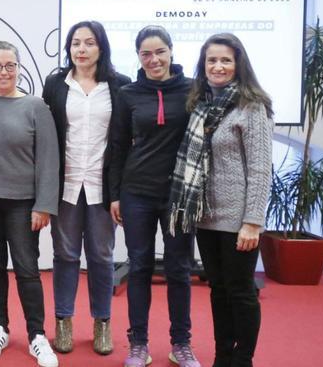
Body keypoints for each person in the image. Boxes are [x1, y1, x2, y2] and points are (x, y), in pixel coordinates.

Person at [168, 33, 272, 367]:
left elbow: (259, 169)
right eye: (212, 60)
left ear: (238, 64)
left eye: (225, 60)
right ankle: (222, 356)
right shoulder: (200, 105)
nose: (218, 66)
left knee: (241, 292)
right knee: (218, 290)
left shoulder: (252, 106)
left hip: (239, 218)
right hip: (206, 217)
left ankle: (242, 359)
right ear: (203, 65)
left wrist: (252, 222)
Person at [109, 25, 200, 367]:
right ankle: (139, 344)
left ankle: (181, 344)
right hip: (137, 194)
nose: (154, 59)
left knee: (179, 269)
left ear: (171, 51)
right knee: (140, 266)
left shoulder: (193, 90)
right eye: (146, 53)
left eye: (159, 51)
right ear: (138, 57)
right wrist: (115, 194)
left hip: (179, 195)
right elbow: (117, 147)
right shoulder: (128, 94)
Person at [0, 41, 60, 367]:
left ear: (19, 68)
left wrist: (44, 205)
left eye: (10, 66)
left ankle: (37, 335)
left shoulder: (36, 107)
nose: (3, 72)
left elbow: (49, 160)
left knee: (27, 269)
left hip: (23, 204)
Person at [41, 21, 130, 356]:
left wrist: (119, 191)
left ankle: (102, 322)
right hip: (65, 185)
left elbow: (123, 143)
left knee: (102, 256)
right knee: (64, 255)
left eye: (89, 43)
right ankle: (63, 321)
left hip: (101, 186)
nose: (81, 49)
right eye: (75, 43)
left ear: (101, 47)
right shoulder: (55, 84)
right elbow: (47, 139)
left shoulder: (120, 86)